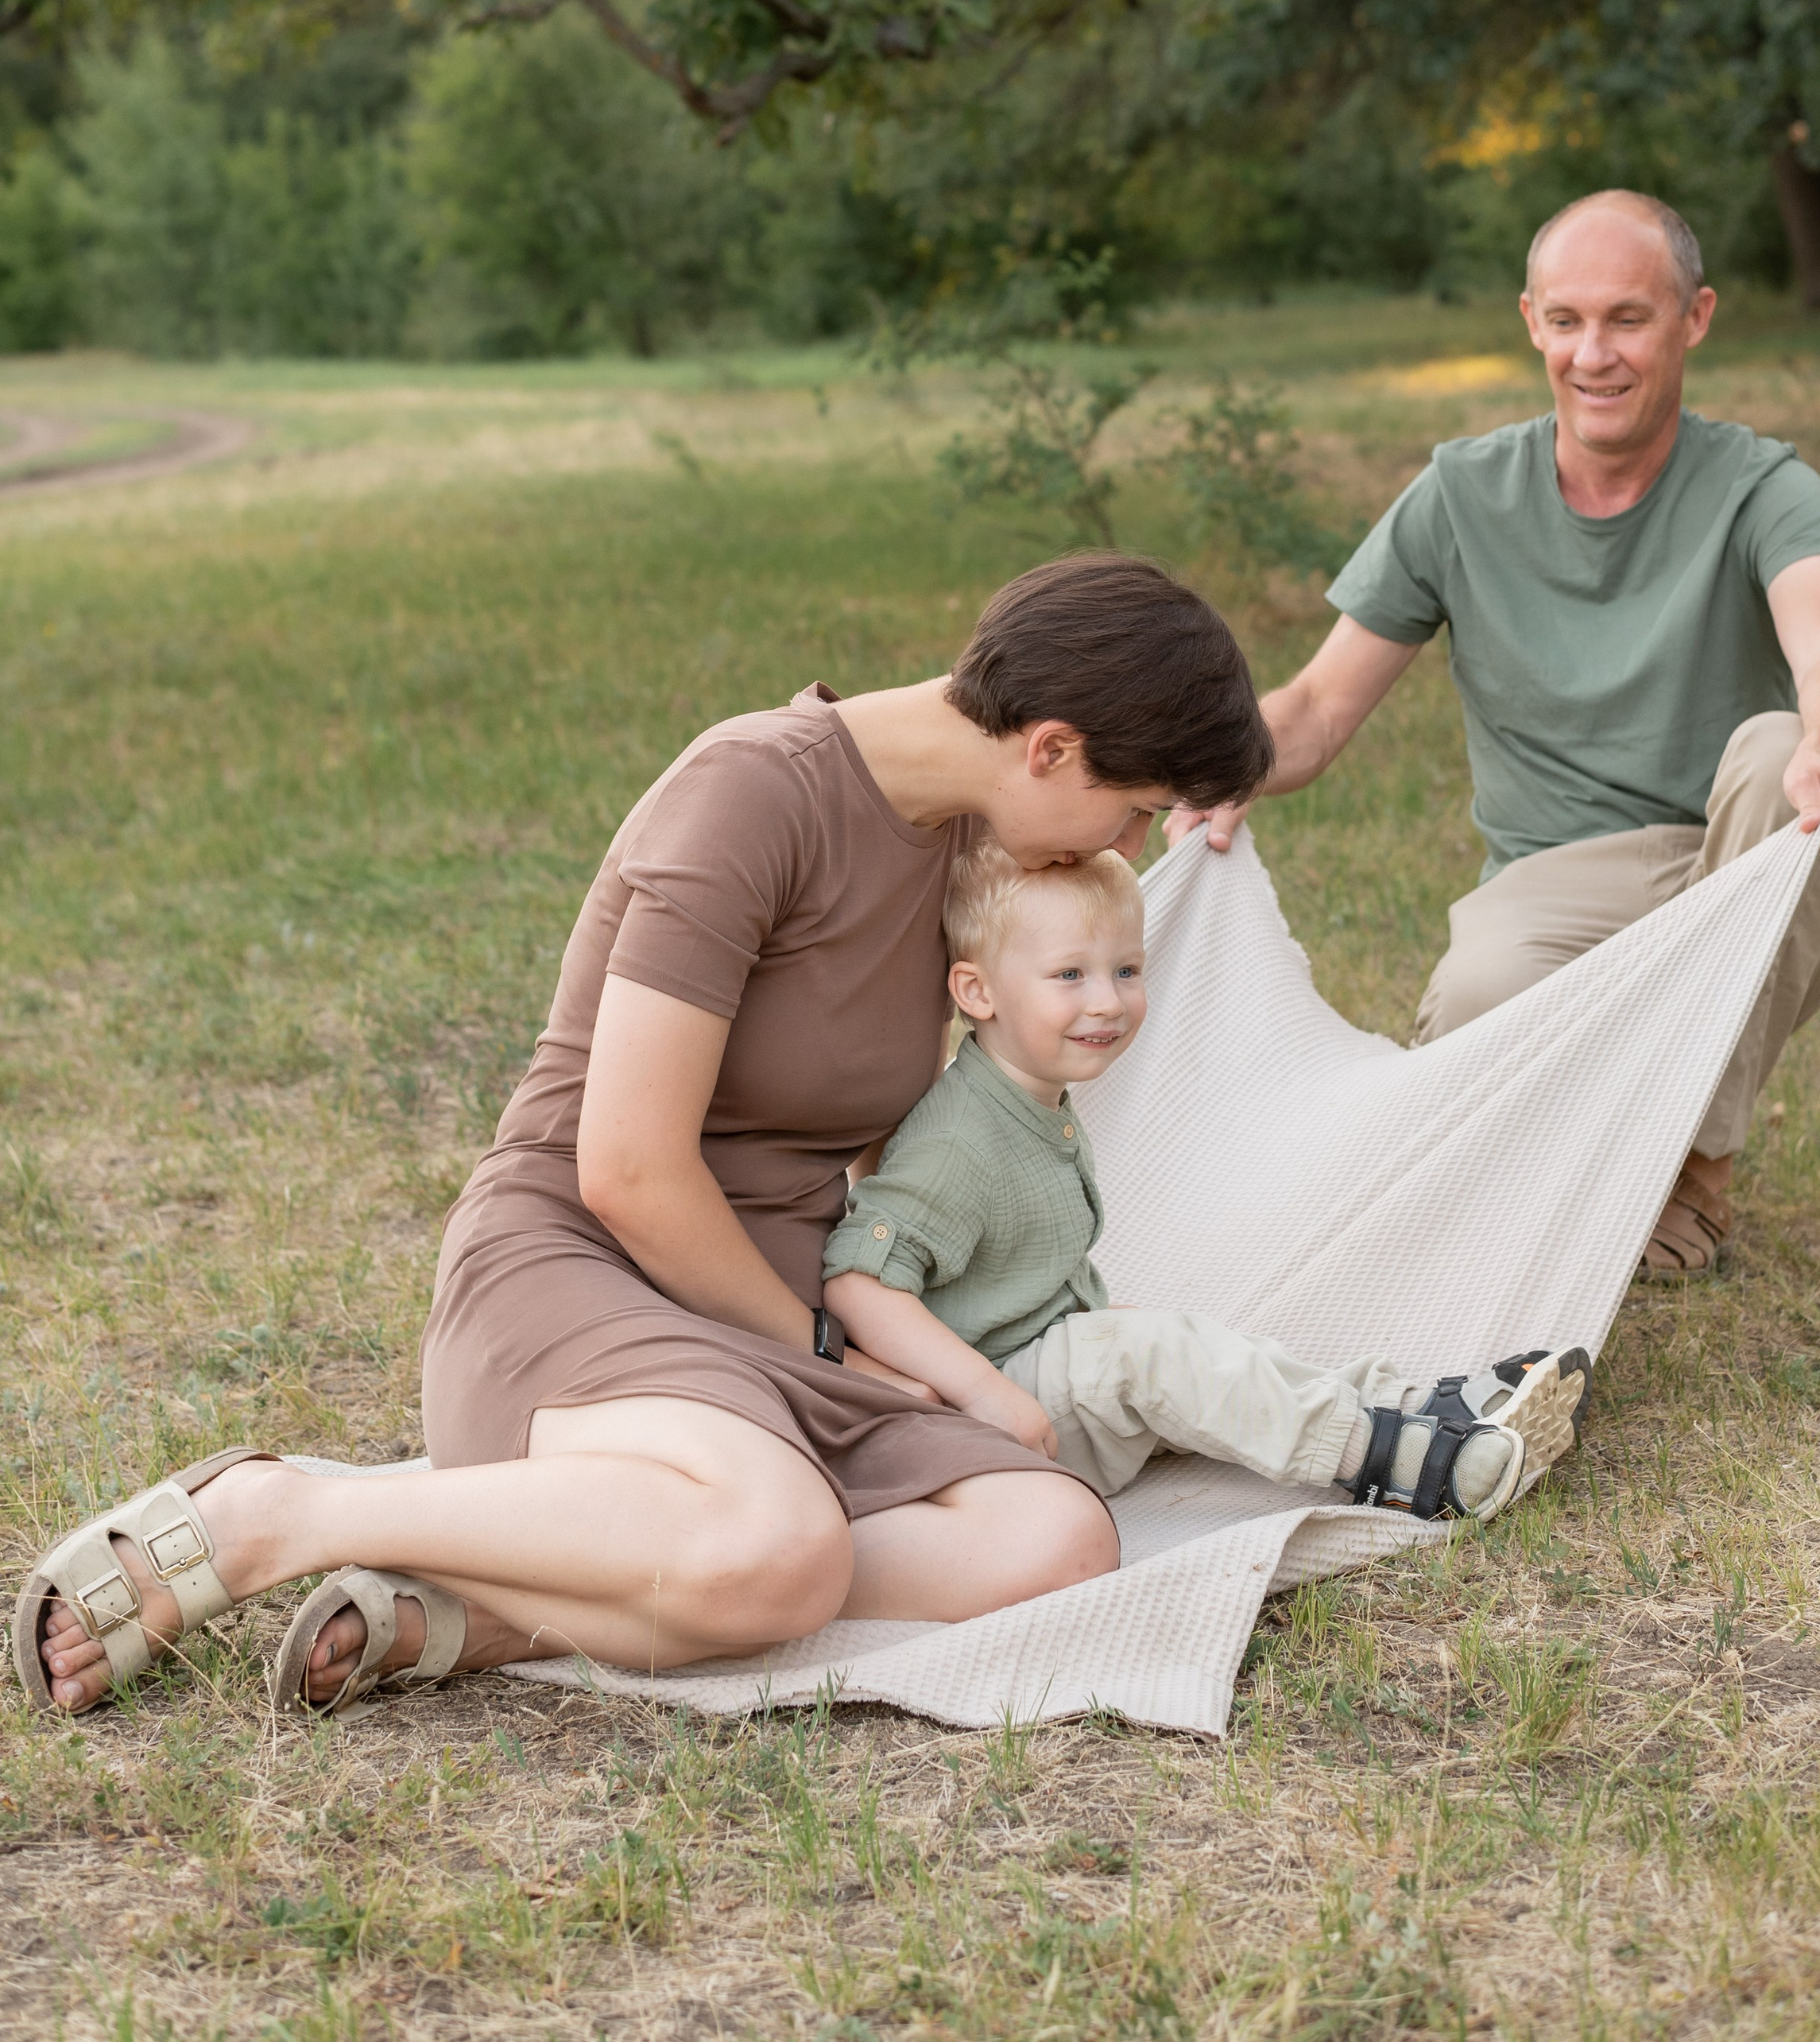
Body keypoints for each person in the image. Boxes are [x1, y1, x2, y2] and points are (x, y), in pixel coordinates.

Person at [15, 554, 1276, 1721]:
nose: (1118, 845)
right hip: (581, 1269)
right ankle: (277, 1514)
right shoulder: (751, 791)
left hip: (771, 1319)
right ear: (1051, 745)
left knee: (1054, 1539)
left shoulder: (973, 844)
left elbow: (1010, 1043)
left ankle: (495, 1607)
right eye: (1131, 807)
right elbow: (626, 1167)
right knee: (783, 1547)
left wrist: (1195, 843)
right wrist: (827, 1346)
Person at [1171, 190, 1820, 1281]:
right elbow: (1316, 708)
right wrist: (1217, 767)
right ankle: (1599, 1157)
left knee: (1772, 744)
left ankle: (1696, 1165)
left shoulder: (1762, 485)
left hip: (1745, 855)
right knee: (1465, 1020)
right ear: (1530, 320)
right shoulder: (1460, 491)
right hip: (1562, 876)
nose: (1592, 353)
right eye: (1566, 319)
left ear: (1694, 317)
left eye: (1627, 319)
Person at [822, 840, 1592, 1517]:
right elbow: (856, 1281)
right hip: (996, 1423)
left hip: (1037, 1368)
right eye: (1069, 974)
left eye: (1126, 968)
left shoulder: (1028, 1098)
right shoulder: (959, 1138)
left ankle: (1407, 1406)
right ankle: (1401, 1463)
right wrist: (986, 1394)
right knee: (1159, 1354)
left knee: (1205, 1351)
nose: (1108, 1000)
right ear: (976, 992)